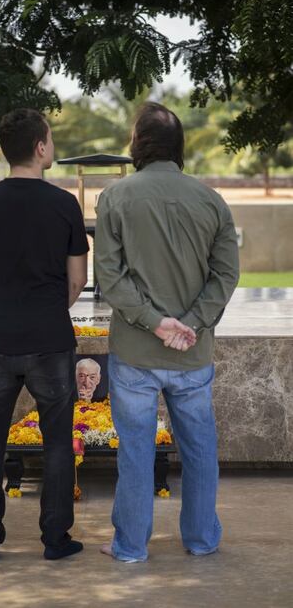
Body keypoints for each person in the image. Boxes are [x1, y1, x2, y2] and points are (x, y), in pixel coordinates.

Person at [95, 102, 240, 563]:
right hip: (192, 354)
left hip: (136, 352)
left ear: (137, 146)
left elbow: (111, 279)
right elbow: (226, 275)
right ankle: (200, 540)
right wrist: (192, 323)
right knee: (199, 452)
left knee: (135, 453)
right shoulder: (211, 200)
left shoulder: (114, 197)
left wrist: (155, 323)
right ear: (180, 148)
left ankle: (131, 546)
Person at [0, 108, 89, 561]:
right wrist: (49, 306)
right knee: (57, 444)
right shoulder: (64, 204)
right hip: (51, 340)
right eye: (51, 139)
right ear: (40, 147)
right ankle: (56, 541)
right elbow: (77, 280)